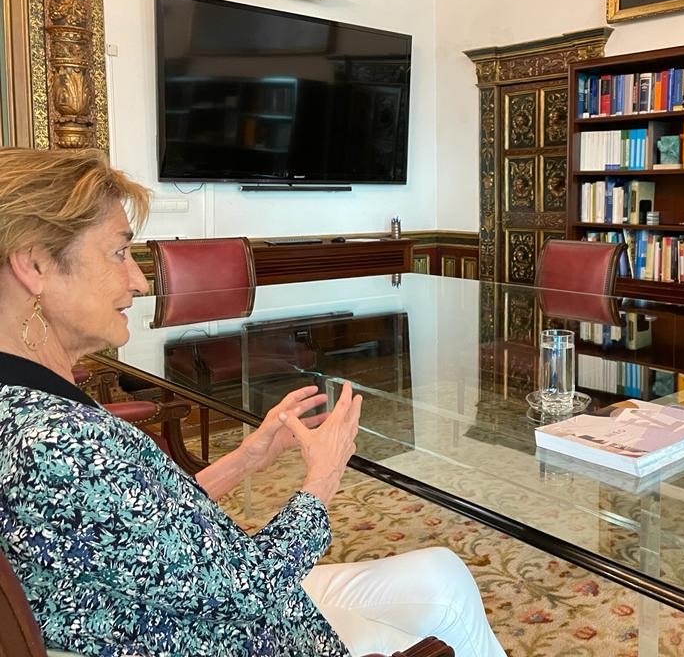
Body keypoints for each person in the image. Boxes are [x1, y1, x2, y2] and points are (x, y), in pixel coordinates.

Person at [0, 148, 506, 657]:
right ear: (35, 264)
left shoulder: (25, 411)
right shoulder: (64, 443)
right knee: (444, 609)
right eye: (118, 252)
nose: (138, 277)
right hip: (237, 631)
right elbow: (251, 591)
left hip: (185, 605)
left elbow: (139, 532)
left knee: (442, 571)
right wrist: (323, 477)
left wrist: (250, 456)